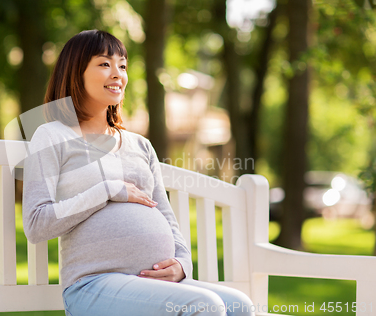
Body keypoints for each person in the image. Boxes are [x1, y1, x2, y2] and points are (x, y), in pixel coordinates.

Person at [22, 29, 254, 316]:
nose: (117, 73)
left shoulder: (139, 144)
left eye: (122, 65)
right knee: (204, 307)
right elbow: (36, 224)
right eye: (104, 64)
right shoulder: (51, 135)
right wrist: (107, 190)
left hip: (153, 286)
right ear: (75, 71)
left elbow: (166, 215)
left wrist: (182, 265)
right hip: (93, 286)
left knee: (240, 306)